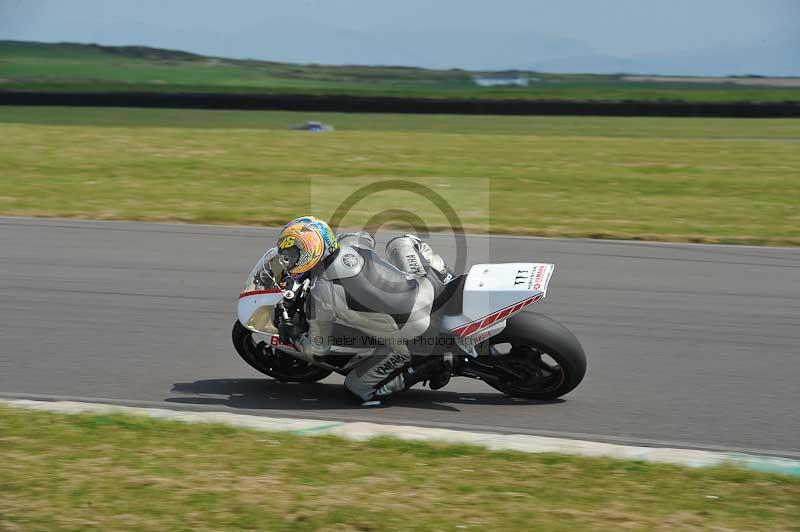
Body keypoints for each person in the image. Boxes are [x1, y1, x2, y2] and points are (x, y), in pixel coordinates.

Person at [272, 216, 453, 402]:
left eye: (294, 254)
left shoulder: (321, 295)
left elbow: (318, 350)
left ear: (312, 252)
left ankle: (434, 363)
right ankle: (446, 275)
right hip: (428, 286)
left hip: (417, 334)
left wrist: (294, 336)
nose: (288, 259)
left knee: (357, 389)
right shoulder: (350, 243)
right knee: (400, 242)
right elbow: (367, 238)